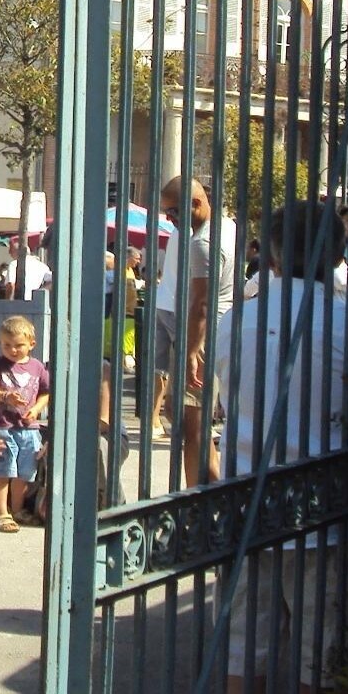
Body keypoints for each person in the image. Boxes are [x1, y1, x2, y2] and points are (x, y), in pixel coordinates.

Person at [213, 199, 348, 694]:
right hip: (329, 512)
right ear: (339, 257)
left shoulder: (235, 323)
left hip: (249, 506)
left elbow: (227, 398)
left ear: (268, 255)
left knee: (244, 656)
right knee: (324, 663)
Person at [152, 175, 234, 487]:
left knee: (193, 428)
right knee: (198, 428)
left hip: (204, 339)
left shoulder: (202, 243)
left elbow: (202, 303)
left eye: (173, 212)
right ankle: (211, 492)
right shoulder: (226, 228)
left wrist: (190, 352)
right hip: (221, 332)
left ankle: (197, 500)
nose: (170, 219)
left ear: (196, 203)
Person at [0, 315, 51, 533]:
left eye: (18, 345)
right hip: (5, 428)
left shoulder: (37, 367)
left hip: (29, 429)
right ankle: (1, 513)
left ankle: (17, 510)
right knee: (4, 471)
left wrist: (35, 410)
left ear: (31, 344)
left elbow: (46, 392)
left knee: (24, 474)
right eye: (6, 345)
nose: (13, 350)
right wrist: (4, 396)